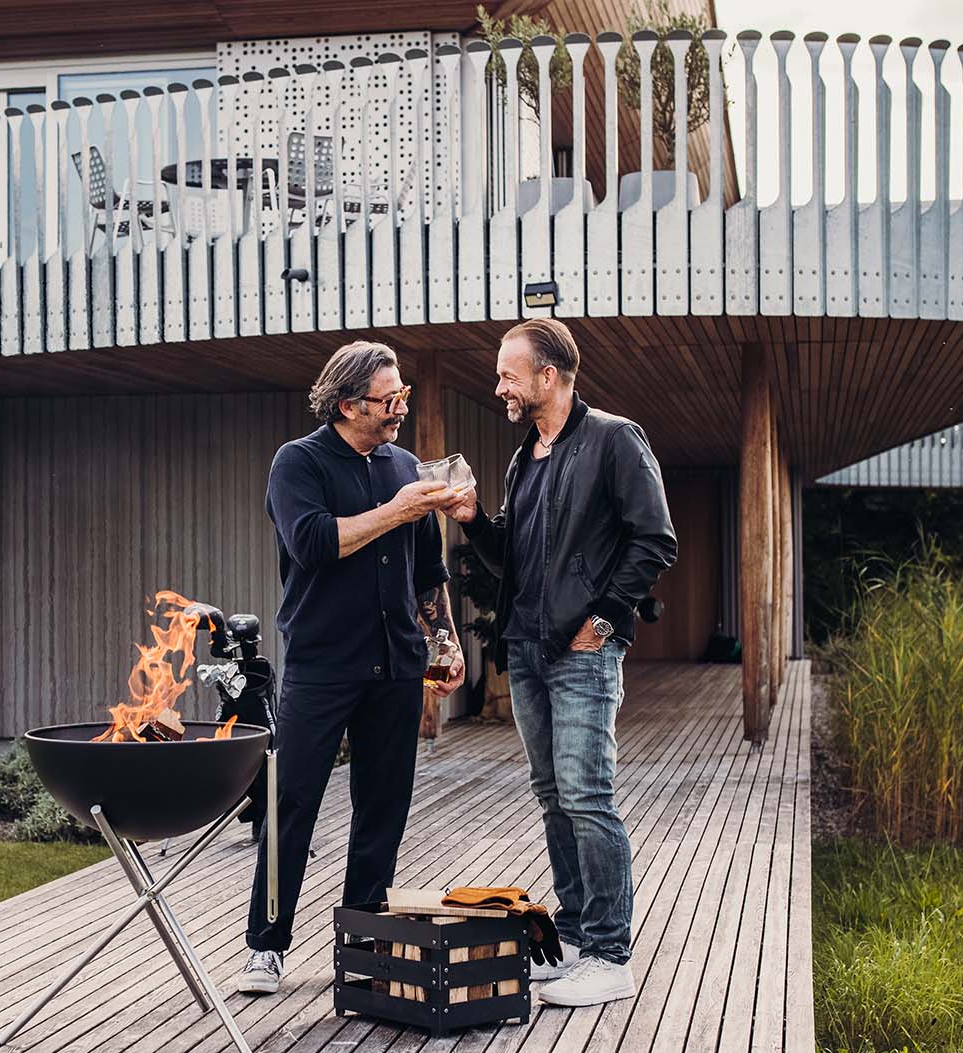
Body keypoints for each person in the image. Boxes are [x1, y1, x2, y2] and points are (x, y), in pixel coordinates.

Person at [448, 317, 677, 1008]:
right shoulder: (525, 459)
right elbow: (509, 562)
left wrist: (602, 621)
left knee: (587, 797)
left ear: (548, 376)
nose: (501, 387)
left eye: (509, 375)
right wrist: (471, 517)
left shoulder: (612, 439)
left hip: (582, 655)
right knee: (552, 797)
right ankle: (574, 939)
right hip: (526, 651)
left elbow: (654, 542)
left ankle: (611, 955)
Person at [238, 340, 467, 995]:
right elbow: (311, 545)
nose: (399, 409)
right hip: (320, 666)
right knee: (292, 806)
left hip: (396, 665)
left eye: (403, 396)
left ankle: (363, 936)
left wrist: (445, 642)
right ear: (346, 404)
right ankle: (265, 944)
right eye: (387, 400)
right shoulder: (298, 464)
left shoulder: (406, 466)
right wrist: (400, 509)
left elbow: (429, 572)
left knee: (383, 807)